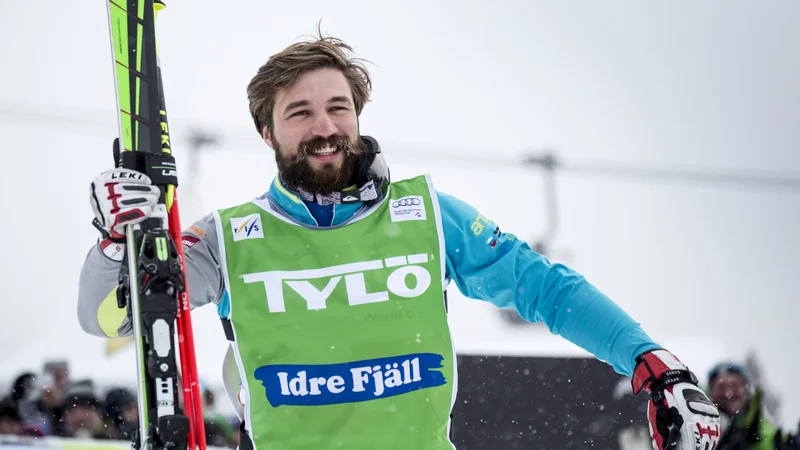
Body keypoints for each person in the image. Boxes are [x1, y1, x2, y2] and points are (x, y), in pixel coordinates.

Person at [77, 32, 721, 450]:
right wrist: (116, 243)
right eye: (299, 113)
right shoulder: (231, 238)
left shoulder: (425, 215)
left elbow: (545, 289)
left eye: (338, 108)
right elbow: (112, 316)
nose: (324, 127)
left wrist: (651, 363)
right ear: (268, 134)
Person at [708, 362, 798, 450]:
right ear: (711, 392)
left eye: (734, 386)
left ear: (746, 389)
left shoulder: (766, 434)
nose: (728, 394)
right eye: (721, 387)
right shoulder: (701, 428)